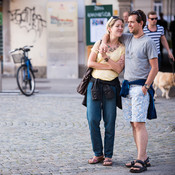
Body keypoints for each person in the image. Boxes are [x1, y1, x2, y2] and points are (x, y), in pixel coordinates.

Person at [100, 10, 158, 173]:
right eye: (128, 22)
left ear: (142, 23)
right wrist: (104, 42)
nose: (129, 25)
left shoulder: (148, 42)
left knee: (139, 123)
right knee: (133, 124)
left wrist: (146, 87)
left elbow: (155, 67)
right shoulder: (128, 38)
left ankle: (141, 159)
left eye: (132, 22)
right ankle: (143, 155)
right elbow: (108, 33)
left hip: (140, 88)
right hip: (127, 88)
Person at [87, 17, 125, 166]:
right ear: (109, 28)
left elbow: (119, 70)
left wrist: (105, 58)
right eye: (117, 26)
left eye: (122, 26)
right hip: (94, 85)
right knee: (92, 119)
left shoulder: (122, 48)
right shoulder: (99, 43)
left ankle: (108, 155)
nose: (121, 28)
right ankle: (98, 154)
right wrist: (111, 65)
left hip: (111, 87)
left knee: (110, 122)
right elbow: (90, 63)